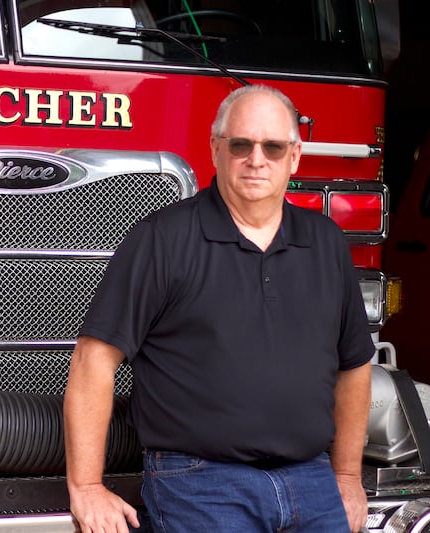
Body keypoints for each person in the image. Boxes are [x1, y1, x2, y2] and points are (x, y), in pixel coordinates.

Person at [63, 84, 373, 533]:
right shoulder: (162, 238)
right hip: (201, 483)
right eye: (241, 144)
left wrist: (346, 476)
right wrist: (87, 487)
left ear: (295, 156)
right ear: (216, 149)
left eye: (273, 146)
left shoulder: (325, 241)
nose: (256, 159)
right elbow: (94, 359)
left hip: (312, 481)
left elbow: (355, 366)